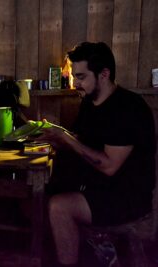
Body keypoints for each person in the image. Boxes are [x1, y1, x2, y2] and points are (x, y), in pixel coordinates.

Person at [36, 42, 156, 267]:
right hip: (96, 188)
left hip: (126, 198)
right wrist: (53, 138)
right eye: (74, 76)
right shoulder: (90, 103)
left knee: (59, 206)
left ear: (104, 74)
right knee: (41, 193)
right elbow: (81, 141)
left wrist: (67, 139)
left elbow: (109, 166)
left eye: (80, 77)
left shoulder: (128, 108)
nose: (75, 84)